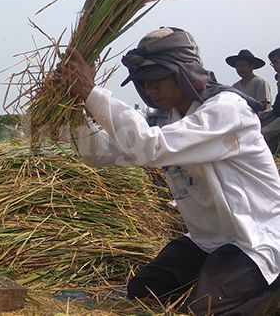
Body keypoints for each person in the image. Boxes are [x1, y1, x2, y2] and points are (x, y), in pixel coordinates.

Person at [64, 27, 280, 314]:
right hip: (209, 243)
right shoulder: (174, 120)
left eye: (156, 79)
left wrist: (91, 92)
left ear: (183, 72)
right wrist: (72, 113)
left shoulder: (227, 110)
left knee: (201, 310)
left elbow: (150, 148)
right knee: (142, 291)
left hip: (255, 241)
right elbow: (98, 154)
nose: (149, 89)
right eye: (143, 82)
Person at [260, 47, 280, 153]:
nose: (274, 66)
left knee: (263, 134)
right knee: (258, 124)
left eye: (276, 62)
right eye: (272, 63)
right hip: (277, 111)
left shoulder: (260, 82)